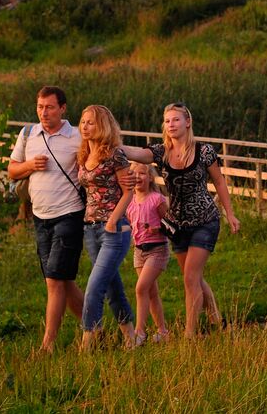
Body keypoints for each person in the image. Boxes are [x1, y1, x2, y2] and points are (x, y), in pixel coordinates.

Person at [120, 103, 239, 338]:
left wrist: (230, 212)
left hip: (205, 220)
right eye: (167, 121)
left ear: (188, 122)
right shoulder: (161, 152)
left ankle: (189, 334)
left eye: (175, 120)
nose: (171, 124)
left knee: (190, 277)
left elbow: (220, 181)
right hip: (178, 226)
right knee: (193, 276)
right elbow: (136, 154)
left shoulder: (204, 151)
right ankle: (217, 319)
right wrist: (113, 145)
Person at [7, 85, 85, 354]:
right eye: (40, 107)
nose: (44, 112)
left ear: (63, 108)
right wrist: (30, 166)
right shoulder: (28, 134)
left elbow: (98, 161)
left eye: (49, 107)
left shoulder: (77, 136)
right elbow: (12, 171)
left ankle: (47, 345)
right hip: (40, 217)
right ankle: (94, 327)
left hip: (70, 214)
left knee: (54, 280)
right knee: (63, 281)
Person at [75, 105, 136, 350]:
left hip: (114, 229)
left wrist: (113, 220)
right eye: (83, 122)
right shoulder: (82, 155)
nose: (85, 126)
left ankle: (87, 344)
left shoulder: (114, 155)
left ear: (103, 125)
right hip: (89, 229)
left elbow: (128, 191)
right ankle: (131, 340)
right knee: (112, 287)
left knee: (94, 287)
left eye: (91, 122)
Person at [125, 162, 171, 345]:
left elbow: (170, 224)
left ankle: (139, 332)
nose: (138, 177)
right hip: (139, 250)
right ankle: (163, 331)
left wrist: (156, 227)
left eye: (142, 173)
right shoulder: (129, 201)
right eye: (133, 174)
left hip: (157, 249)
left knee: (140, 288)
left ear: (150, 177)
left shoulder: (157, 199)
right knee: (151, 292)